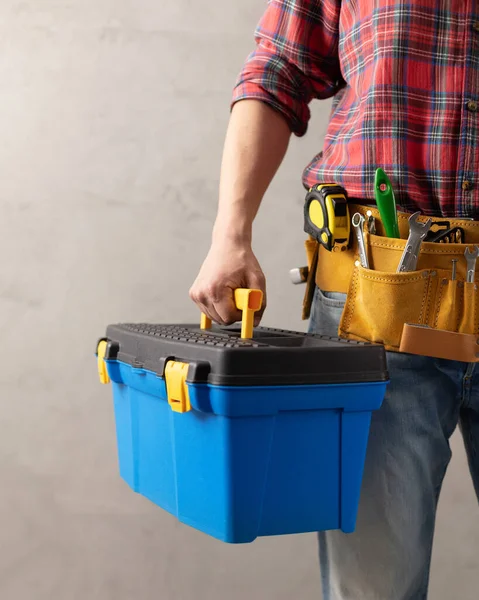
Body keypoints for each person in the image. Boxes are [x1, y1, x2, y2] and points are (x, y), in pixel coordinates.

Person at [189, 1, 479, 598]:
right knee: (375, 588)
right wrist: (230, 235)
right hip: (375, 307)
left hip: (382, 294)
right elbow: (277, 71)